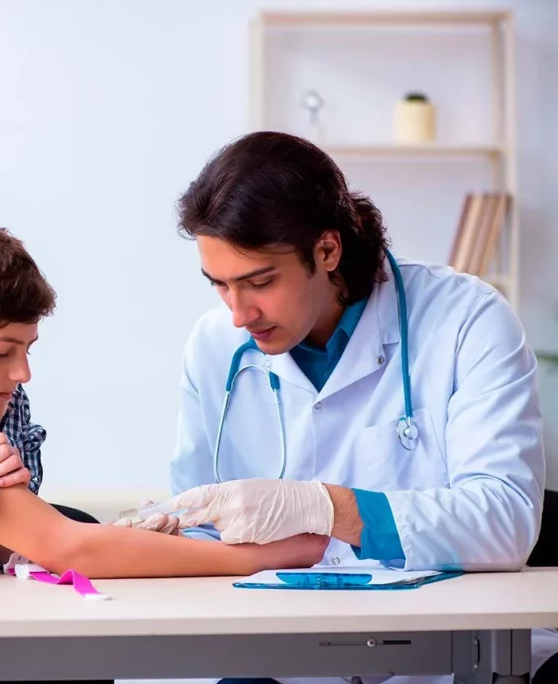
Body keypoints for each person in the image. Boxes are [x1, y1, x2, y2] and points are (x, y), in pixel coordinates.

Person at [124, 131, 556, 684]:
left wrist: (323, 508)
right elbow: (206, 528)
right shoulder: (214, 348)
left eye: (260, 282)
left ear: (327, 251)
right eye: (220, 286)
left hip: (436, 654)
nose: (239, 314)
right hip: (278, 653)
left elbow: (504, 521)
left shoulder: (466, 321)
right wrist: (167, 537)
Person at [0, 209, 327, 586]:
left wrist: (141, 541)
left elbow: (2, 542)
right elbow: (66, 546)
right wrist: (260, 557)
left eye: (27, 348)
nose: (23, 372)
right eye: (0, 352)